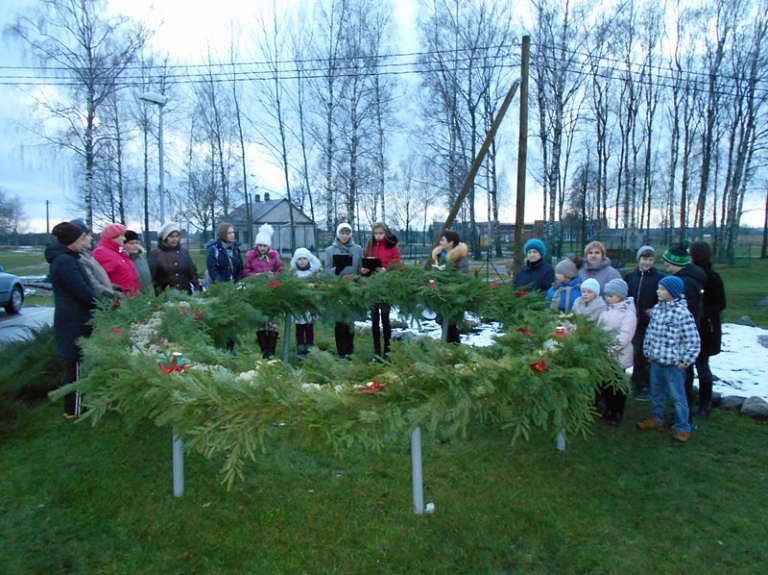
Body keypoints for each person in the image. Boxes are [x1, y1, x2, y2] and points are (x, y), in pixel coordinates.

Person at [637, 276, 701, 443]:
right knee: (656, 393)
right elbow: (650, 333)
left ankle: (683, 427)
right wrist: (648, 353)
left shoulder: (683, 314)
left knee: (678, 396)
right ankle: (655, 418)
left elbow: (693, 341)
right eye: (658, 288)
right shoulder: (657, 310)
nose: (658, 291)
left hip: (674, 365)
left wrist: (685, 361)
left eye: (662, 289)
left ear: (673, 292)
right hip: (656, 361)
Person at [45, 222, 97, 419]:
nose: (84, 240)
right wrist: (99, 304)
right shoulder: (65, 262)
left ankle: (80, 403)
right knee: (75, 364)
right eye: (81, 238)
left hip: (76, 317)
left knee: (79, 363)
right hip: (74, 321)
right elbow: (82, 291)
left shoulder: (69, 258)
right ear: (71, 241)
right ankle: (73, 410)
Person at [661, 240, 706, 421]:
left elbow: (685, 313)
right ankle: (681, 413)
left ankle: (684, 418)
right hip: (680, 336)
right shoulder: (687, 279)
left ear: (676, 264)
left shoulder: (684, 284)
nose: (665, 265)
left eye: (668, 263)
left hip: (680, 338)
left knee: (682, 379)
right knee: (682, 378)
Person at [688, 241, 727, 418]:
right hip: (690, 327)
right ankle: (687, 402)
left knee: (702, 365)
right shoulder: (691, 275)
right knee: (687, 367)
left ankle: (705, 404)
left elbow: (721, 303)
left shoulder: (711, 277)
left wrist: (701, 313)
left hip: (706, 329)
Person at [596, 279, 637, 426]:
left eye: (611, 295)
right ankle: (608, 410)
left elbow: (625, 335)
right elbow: (599, 328)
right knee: (606, 385)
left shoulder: (628, 313)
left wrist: (611, 349)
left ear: (621, 296)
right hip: (605, 354)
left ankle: (617, 412)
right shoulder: (606, 310)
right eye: (607, 295)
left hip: (619, 355)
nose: (608, 298)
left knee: (618, 387)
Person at [624, 245, 663, 400]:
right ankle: (636, 383)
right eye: (644, 259)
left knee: (645, 355)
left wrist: (654, 310)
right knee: (635, 353)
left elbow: (662, 298)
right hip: (633, 321)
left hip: (649, 323)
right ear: (638, 259)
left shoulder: (658, 278)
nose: (647, 262)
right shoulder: (630, 277)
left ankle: (647, 385)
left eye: (650, 259)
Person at [361, 222, 402, 360]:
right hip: (372, 286)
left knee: (385, 319)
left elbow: (398, 267)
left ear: (386, 233)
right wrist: (364, 270)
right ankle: (376, 351)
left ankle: (387, 352)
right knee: (374, 320)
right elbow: (366, 263)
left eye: (380, 233)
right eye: (375, 233)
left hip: (386, 287)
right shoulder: (370, 246)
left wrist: (387, 271)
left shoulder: (392, 247)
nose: (378, 236)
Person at [244, 224, 284, 358]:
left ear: (268, 246)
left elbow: (280, 271)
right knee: (260, 322)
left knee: (272, 322)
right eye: (260, 245)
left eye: (264, 246)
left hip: (271, 292)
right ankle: (263, 349)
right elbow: (246, 271)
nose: (262, 248)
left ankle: (271, 350)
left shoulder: (274, 257)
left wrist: (274, 276)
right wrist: (254, 276)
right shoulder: (251, 258)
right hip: (258, 292)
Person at [325, 222, 363, 358]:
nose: (345, 236)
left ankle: (350, 350)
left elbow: (360, 268)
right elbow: (327, 270)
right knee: (339, 320)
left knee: (350, 319)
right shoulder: (330, 250)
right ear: (338, 234)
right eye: (342, 233)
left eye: (347, 233)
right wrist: (338, 271)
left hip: (352, 288)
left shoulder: (358, 249)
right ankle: (341, 351)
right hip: (338, 288)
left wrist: (356, 278)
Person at [430, 230, 469, 343]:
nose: (440, 242)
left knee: (450, 324)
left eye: (443, 240)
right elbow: (433, 273)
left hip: (453, 296)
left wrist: (447, 286)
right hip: (440, 295)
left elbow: (461, 277)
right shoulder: (439, 256)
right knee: (444, 324)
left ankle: (454, 350)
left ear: (451, 243)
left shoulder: (460, 258)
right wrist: (432, 284)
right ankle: (450, 350)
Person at [69, 218, 121, 300]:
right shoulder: (79, 259)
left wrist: (114, 287)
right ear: (79, 237)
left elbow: (100, 276)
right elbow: (93, 284)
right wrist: (113, 294)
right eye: (88, 235)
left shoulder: (86, 255)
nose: (91, 238)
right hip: (101, 303)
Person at [148, 223, 201, 296]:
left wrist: (197, 287)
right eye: (171, 237)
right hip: (166, 297)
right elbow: (152, 278)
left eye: (177, 236)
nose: (175, 239)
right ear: (164, 237)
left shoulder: (184, 253)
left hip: (186, 294)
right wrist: (161, 294)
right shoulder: (155, 254)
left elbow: (192, 273)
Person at [290, 247, 323, 358]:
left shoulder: (313, 273)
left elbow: (319, 286)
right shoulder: (294, 274)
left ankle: (309, 346)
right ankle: (300, 347)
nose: (302, 261)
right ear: (296, 260)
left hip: (310, 304)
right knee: (299, 327)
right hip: (299, 305)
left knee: (309, 327)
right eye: (300, 259)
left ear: (309, 259)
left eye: (305, 258)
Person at [92, 223, 140, 296]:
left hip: (130, 298)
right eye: (122, 236)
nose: (124, 239)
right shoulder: (101, 253)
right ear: (113, 236)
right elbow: (101, 278)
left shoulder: (119, 252)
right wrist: (115, 295)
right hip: (118, 300)